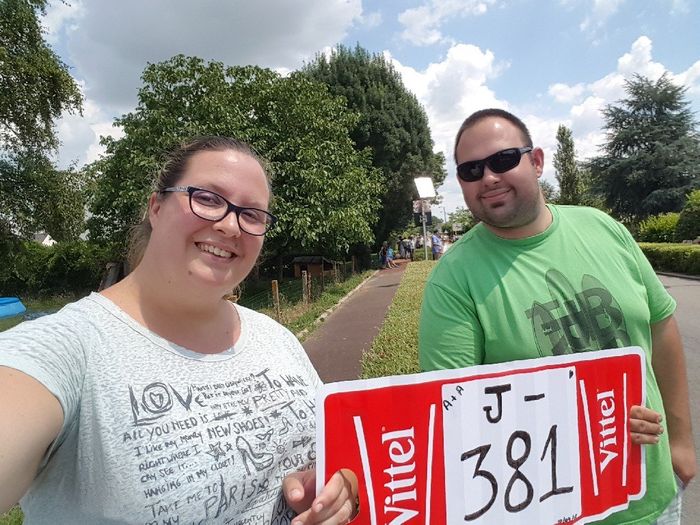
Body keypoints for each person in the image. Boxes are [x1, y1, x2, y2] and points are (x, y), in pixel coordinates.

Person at [0, 137, 357, 524]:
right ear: (156, 206)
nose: (230, 224)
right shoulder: (66, 349)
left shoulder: (276, 338)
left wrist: (340, 489)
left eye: (252, 214)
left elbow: (338, 460)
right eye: (207, 198)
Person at [418, 109, 696, 524]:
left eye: (503, 159)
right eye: (471, 169)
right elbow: (455, 416)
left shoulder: (604, 228)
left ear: (537, 161)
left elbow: (661, 326)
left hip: (653, 497)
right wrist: (593, 423)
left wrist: (681, 439)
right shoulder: (453, 281)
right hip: (553, 513)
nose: (488, 177)